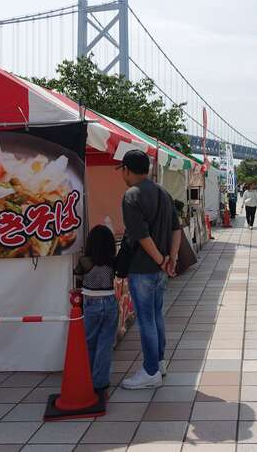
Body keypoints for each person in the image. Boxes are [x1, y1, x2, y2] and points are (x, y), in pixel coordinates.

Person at [118, 149, 182, 389]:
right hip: (160, 269)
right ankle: (160, 363)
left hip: (143, 268)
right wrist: (171, 259)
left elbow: (141, 235)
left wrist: (160, 260)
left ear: (126, 170)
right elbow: (176, 229)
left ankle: (150, 371)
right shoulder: (163, 192)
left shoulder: (131, 195)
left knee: (146, 320)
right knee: (156, 316)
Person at [75, 225, 119, 392]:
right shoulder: (112, 261)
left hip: (91, 303)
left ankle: (88, 377)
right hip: (110, 302)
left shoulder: (84, 261)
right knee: (105, 343)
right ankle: (100, 381)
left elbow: (78, 276)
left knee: (90, 342)